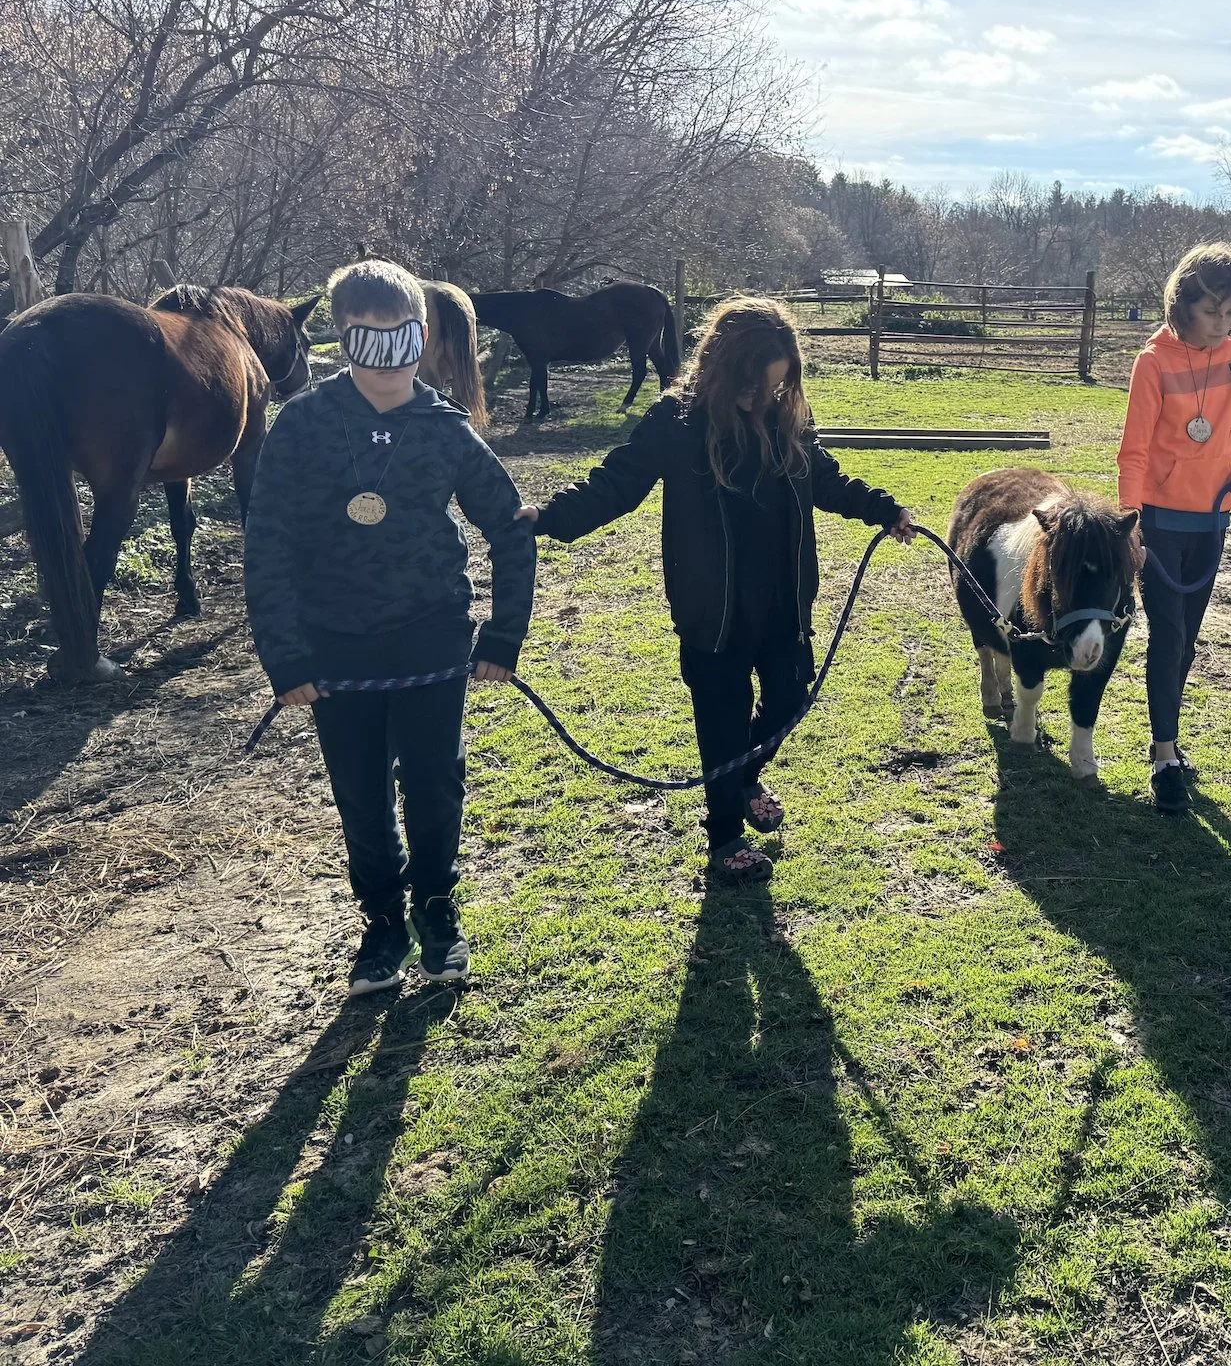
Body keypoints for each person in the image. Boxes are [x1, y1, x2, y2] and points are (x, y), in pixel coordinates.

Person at [516, 298, 914, 884]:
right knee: (722, 719)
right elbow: (615, 484)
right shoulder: (676, 422)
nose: (765, 399)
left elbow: (824, 477)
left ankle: (743, 776)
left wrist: (883, 509)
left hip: (784, 602)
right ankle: (725, 838)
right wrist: (547, 517)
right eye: (756, 388)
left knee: (789, 699)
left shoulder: (786, 420)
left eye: (779, 388)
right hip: (714, 609)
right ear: (726, 370)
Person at [244, 259, 535, 993]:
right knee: (360, 792)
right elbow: (267, 542)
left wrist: (502, 636)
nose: (384, 354)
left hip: (431, 638)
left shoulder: (445, 430)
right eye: (365, 337)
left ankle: (437, 909)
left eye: (397, 336)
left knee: (436, 783)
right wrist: (284, 655)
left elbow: (511, 526)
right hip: (334, 644)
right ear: (342, 338)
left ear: (423, 335)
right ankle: (381, 924)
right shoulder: (303, 426)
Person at [1116, 243, 1231, 813]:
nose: (1222, 326)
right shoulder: (1152, 363)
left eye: (1230, 314)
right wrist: (1131, 526)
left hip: (1212, 515)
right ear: (1182, 307)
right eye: (1211, 313)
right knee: (1169, 633)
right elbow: (1134, 451)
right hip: (1158, 521)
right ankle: (1164, 755)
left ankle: (1168, 737)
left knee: (1188, 637)